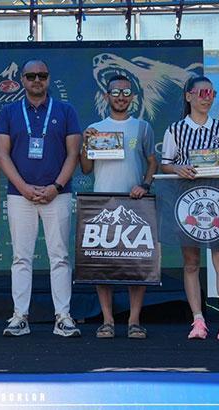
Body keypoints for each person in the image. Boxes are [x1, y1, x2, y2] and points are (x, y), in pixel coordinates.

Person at [0, 60, 82, 337]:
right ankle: (19, 317)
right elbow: (1, 154)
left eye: (42, 75)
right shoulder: (9, 112)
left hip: (58, 194)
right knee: (21, 257)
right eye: (31, 75)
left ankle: (63, 317)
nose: (36, 80)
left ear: (48, 78)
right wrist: (22, 187)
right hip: (20, 195)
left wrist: (56, 186)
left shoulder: (65, 110)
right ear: (22, 79)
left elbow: (73, 153)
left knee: (60, 256)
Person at [160, 76, 219, 343]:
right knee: (191, 262)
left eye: (211, 93)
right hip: (187, 202)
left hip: (217, 201)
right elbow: (165, 164)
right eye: (202, 93)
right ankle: (198, 320)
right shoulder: (175, 130)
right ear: (189, 96)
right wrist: (177, 168)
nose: (207, 98)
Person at [80, 74, 157, 339]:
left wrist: (145, 185)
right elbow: (86, 168)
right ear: (106, 96)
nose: (121, 97)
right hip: (101, 202)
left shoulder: (142, 127)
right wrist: (85, 143)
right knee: (102, 264)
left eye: (126, 93)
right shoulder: (95, 128)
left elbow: (152, 161)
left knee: (137, 264)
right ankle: (107, 321)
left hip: (135, 202)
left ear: (133, 97)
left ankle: (134, 321)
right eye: (116, 92)